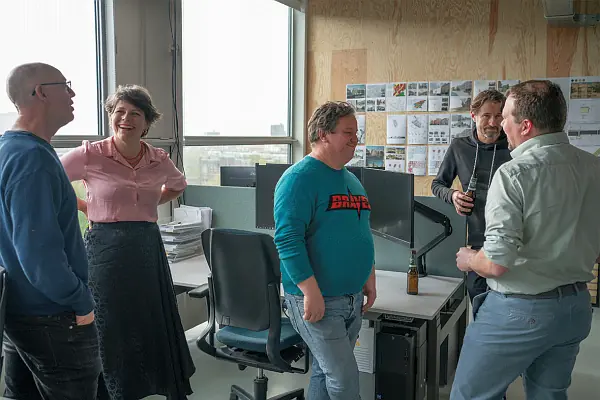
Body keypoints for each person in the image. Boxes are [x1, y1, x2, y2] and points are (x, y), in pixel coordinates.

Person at [451, 80, 600, 400]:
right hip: (575, 307)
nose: (500, 124)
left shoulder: (514, 173)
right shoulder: (593, 167)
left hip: (520, 310)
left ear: (526, 125)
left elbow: (496, 263)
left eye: (505, 116)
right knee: (549, 395)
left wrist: (470, 258)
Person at [60, 84, 195, 400]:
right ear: (110, 116)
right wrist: (85, 207)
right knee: (111, 326)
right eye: (119, 112)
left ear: (146, 122)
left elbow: (178, 185)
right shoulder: (90, 154)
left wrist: (148, 203)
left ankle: (147, 386)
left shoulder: (158, 159)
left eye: (135, 113)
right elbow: (51, 179)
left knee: (148, 322)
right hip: (105, 250)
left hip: (146, 247)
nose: (126, 119)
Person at [0, 62, 101, 399]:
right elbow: (39, 255)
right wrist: (80, 301)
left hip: (19, 309)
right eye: (65, 85)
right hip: (51, 316)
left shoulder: (10, 150)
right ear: (40, 92)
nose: (72, 93)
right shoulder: (33, 159)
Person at [274, 101, 376, 400]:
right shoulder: (298, 179)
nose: (355, 139)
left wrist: (368, 276)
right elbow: (287, 240)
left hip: (351, 297)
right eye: (347, 133)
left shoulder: (351, 179)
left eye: (356, 133)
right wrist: (311, 292)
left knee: (324, 370)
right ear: (323, 134)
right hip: (318, 297)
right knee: (344, 379)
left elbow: (361, 231)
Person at [431, 89, 511, 302]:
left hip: (510, 242)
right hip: (476, 244)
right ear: (473, 116)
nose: (493, 123)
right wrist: (453, 196)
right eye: (487, 116)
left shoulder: (514, 146)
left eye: (499, 116)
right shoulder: (459, 146)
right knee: (480, 306)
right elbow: (437, 185)